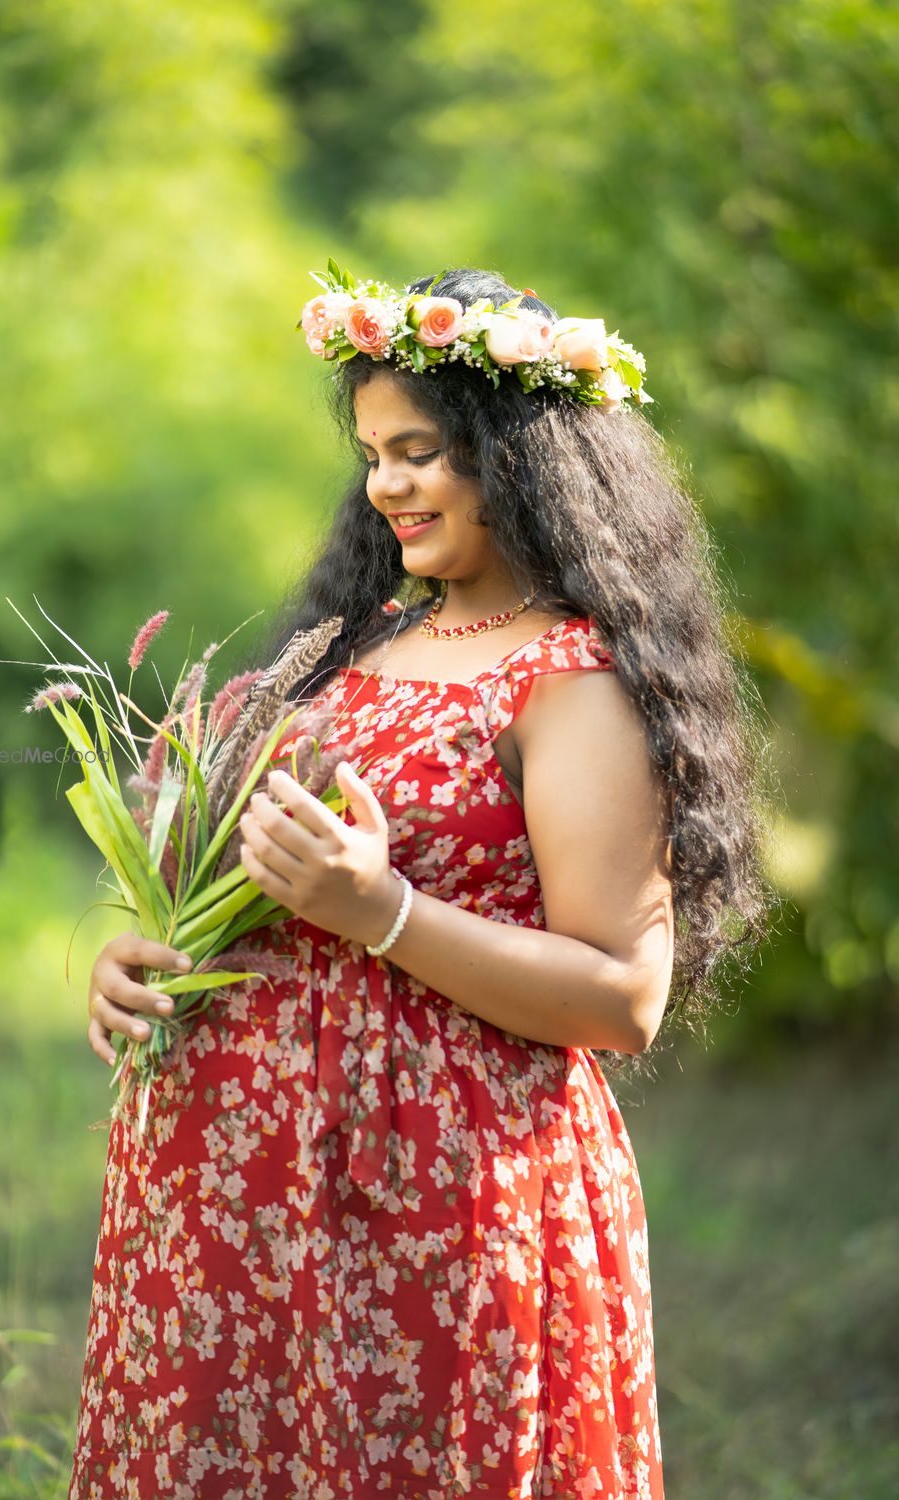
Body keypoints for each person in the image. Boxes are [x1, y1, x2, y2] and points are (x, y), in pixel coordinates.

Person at [69, 267, 769, 1499]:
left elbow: (621, 996)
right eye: (373, 456)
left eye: (422, 451)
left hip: (437, 1203)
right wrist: (144, 956)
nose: (388, 484)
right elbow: (264, 897)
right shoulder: (356, 650)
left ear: (521, 458)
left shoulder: (574, 681)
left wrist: (382, 912)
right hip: (236, 1204)